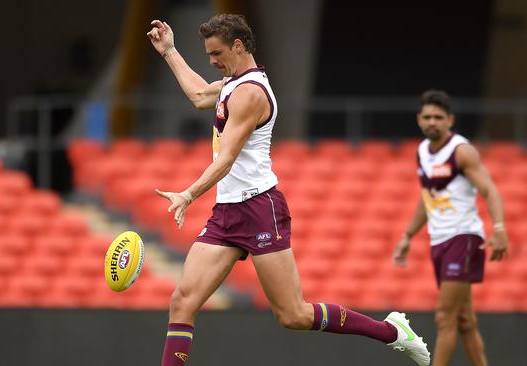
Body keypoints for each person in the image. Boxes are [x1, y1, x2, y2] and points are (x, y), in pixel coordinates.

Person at [148, 14, 430, 366]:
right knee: (183, 301)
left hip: (259, 210)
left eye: (216, 53)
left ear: (238, 45)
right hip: (227, 211)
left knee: (293, 315)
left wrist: (188, 194)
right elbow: (197, 94)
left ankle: (391, 331)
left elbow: (228, 160)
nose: (212, 60)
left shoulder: (250, 93)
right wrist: (169, 51)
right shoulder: (232, 84)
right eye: (208, 54)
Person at [392, 90, 509, 366]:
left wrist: (500, 227)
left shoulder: (462, 152)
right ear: (419, 119)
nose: (432, 122)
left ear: (450, 120)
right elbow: (427, 197)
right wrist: (408, 235)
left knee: (445, 317)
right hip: (439, 239)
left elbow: (489, 189)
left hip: (463, 237)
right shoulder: (421, 151)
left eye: (438, 117)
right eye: (427, 117)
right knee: (465, 320)